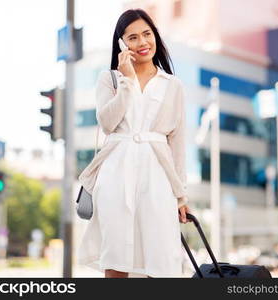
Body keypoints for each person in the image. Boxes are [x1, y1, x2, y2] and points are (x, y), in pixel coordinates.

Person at [77, 8, 192, 278]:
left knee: (160, 257)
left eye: (147, 34)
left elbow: (177, 143)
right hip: (116, 174)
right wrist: (127, 80)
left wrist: (181, 195)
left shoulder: (173, 85)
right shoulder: (110, 79)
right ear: (121, 44)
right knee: (116, 255)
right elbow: (107, 123)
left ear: (155, 37)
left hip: (158, 176)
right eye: (133, 38)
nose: (142, 43)